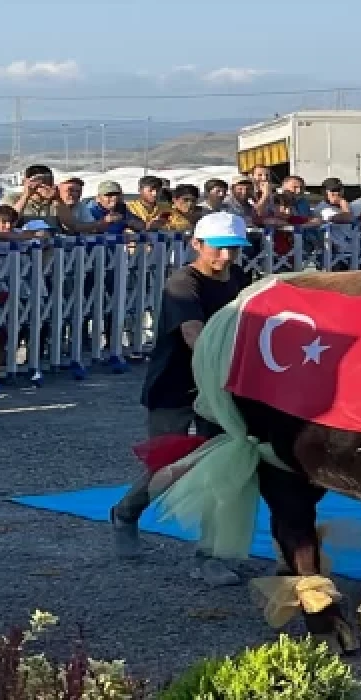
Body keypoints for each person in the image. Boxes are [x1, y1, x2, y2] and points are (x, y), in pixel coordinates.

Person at [110, 211, 252, 585]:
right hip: (175, 385)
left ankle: (210, 556)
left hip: (220, 386)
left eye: (234, 249)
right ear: (197, 245)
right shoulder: (182, 284)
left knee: (223, 467)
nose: (226, 258)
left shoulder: (239, 278)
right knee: (167, 468)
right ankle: (126, 512)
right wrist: (221, 364)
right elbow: (194, 334)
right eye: (219, 249)